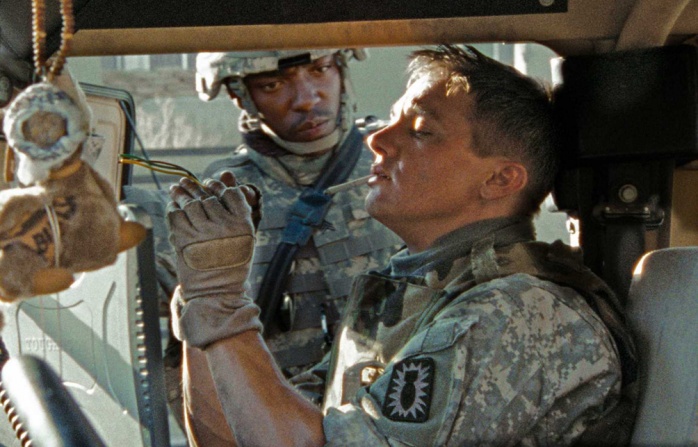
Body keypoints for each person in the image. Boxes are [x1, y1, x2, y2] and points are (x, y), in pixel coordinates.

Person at [167, 45, 637, 446]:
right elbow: (237, 435)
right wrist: (200, 294)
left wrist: (222, 303)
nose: (377, 140)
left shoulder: (514, 312)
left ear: (499, 179)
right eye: (392, 121)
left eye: (421, 131)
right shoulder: (415, 292)